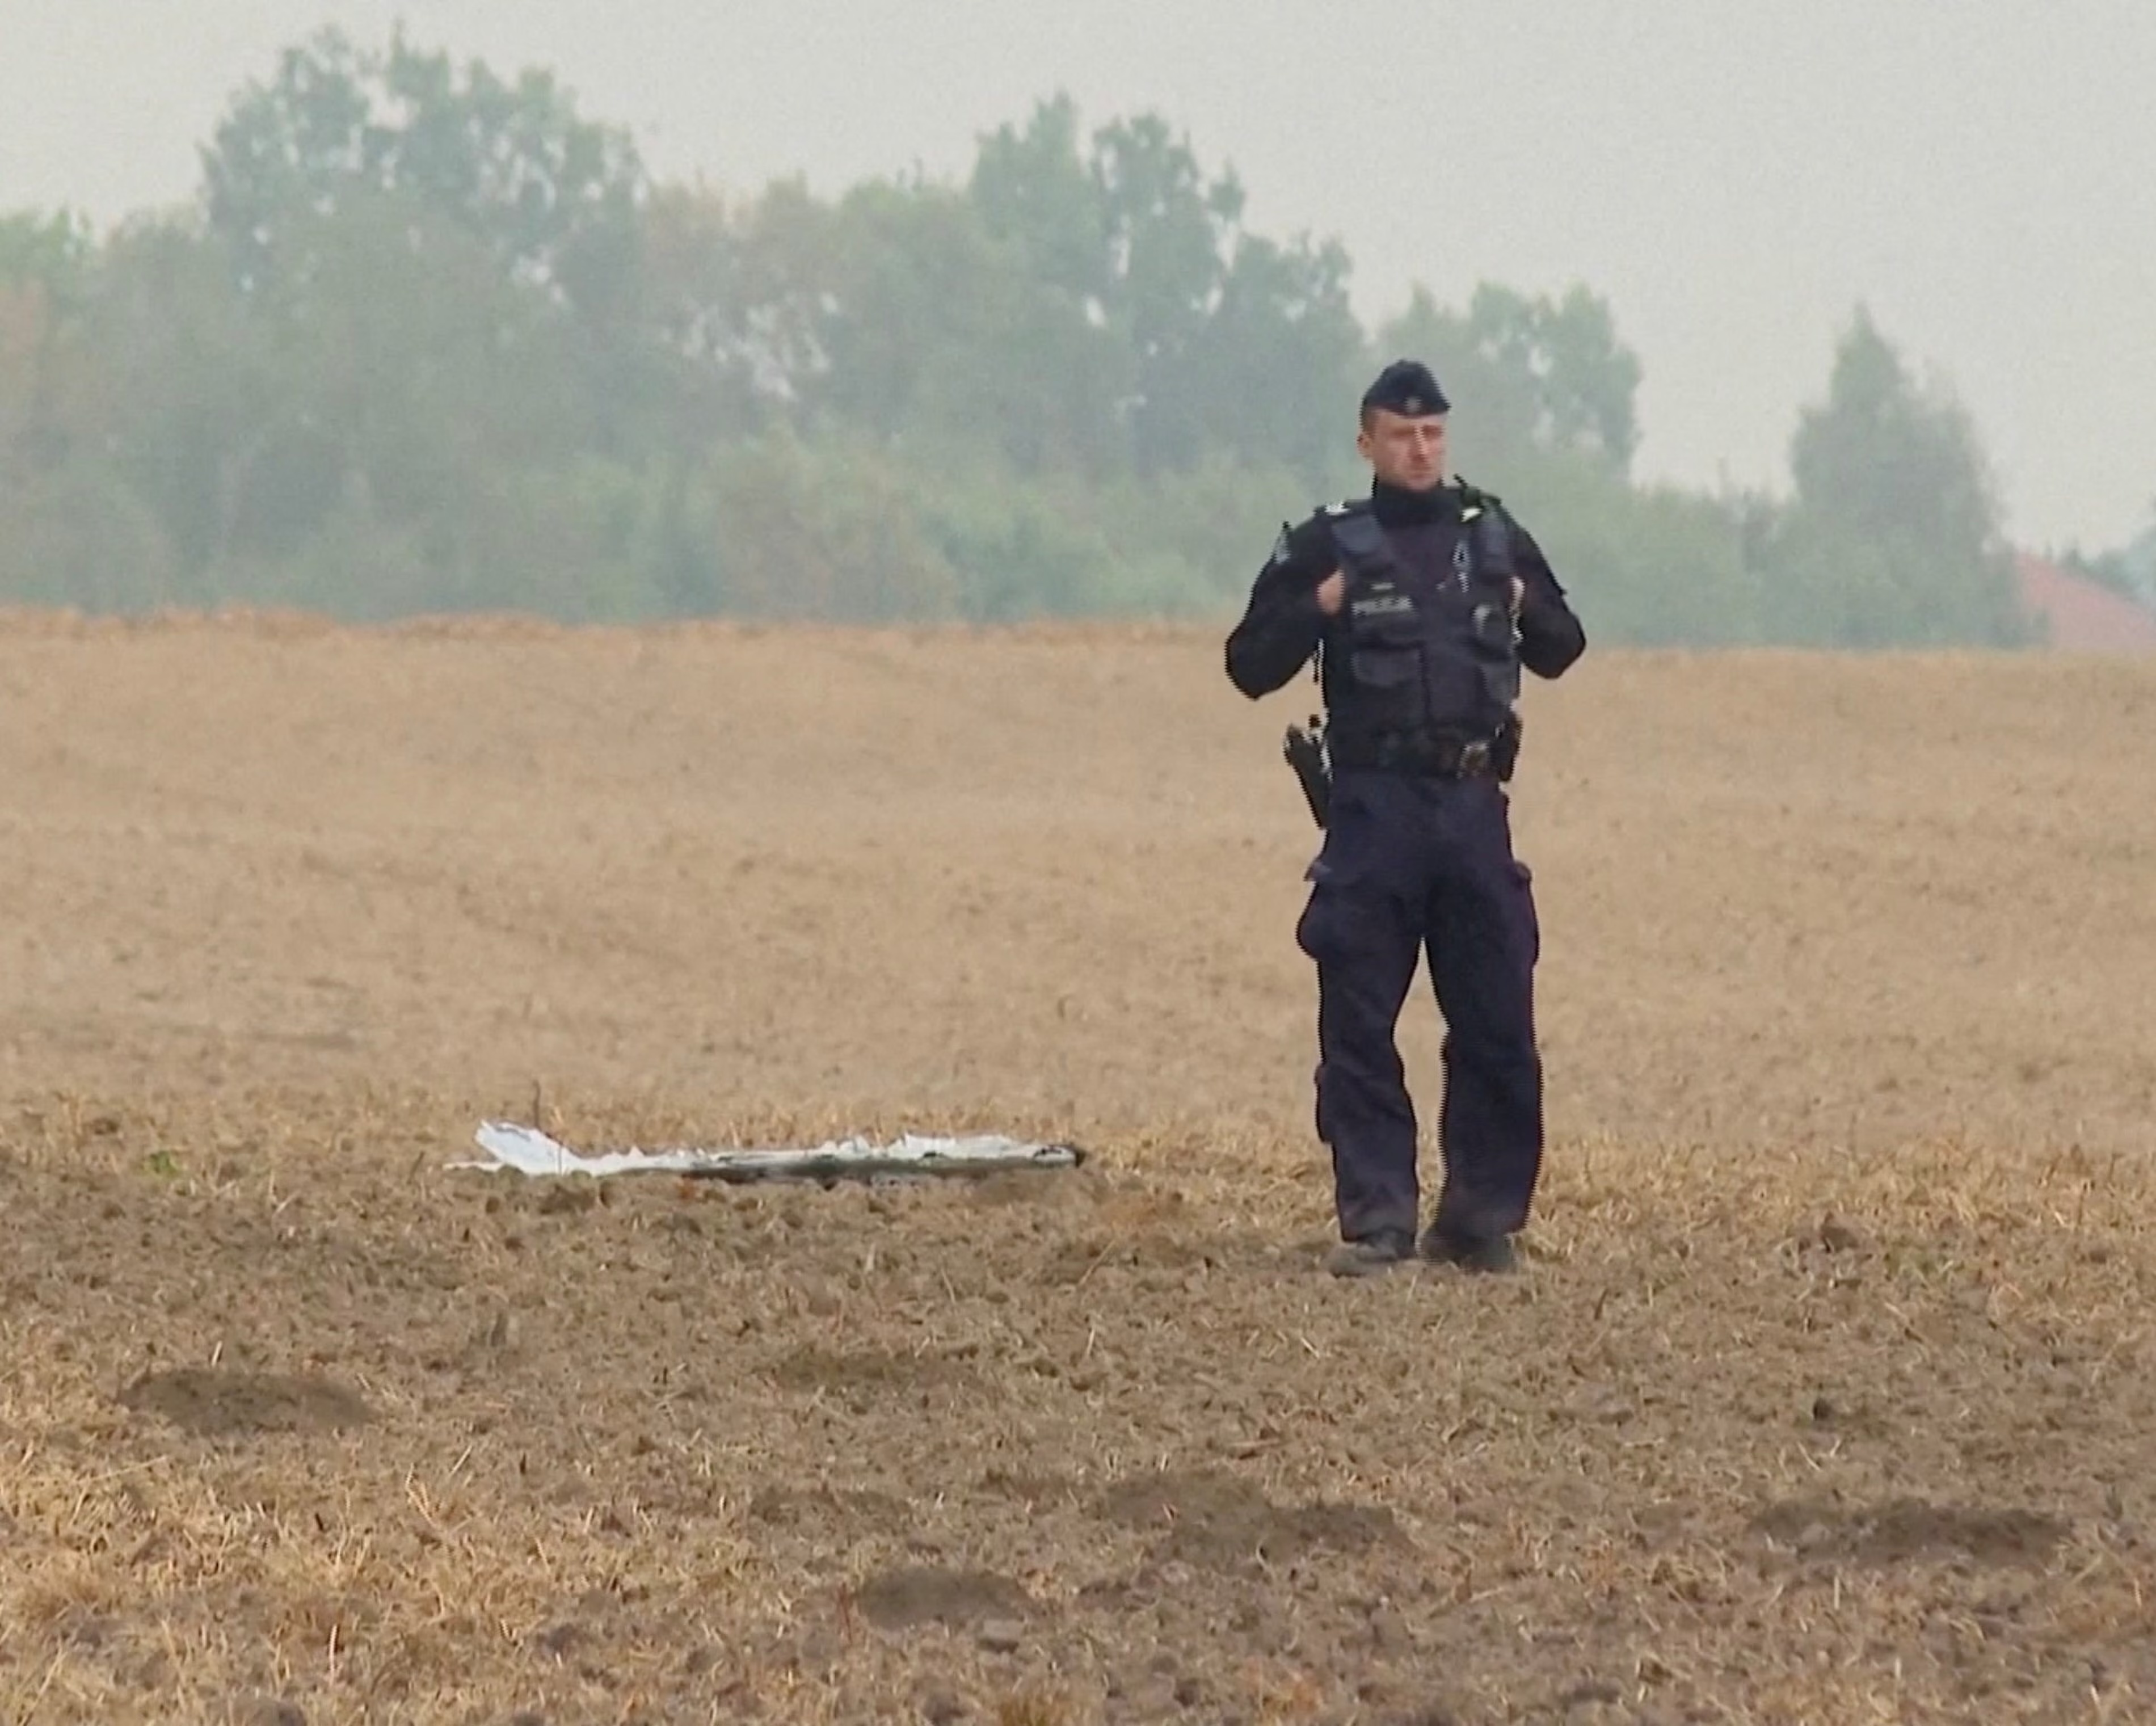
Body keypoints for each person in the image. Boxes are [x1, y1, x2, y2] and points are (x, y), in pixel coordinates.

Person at [1225, 359, 1587, 1277]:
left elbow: (1564, 648)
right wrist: (1317, 609)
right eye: (1400, 434)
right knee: (1358, 1020)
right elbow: (1248, 663)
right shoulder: (1329, 546)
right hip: (1374, 809)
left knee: (1497, 1014)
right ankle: (1379, 1216)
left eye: (1432, 434)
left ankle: (1479, 1215)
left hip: (1471, 804)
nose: (1419, 449)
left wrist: (1523, 602)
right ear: (1368, 443)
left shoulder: (1493, 538)